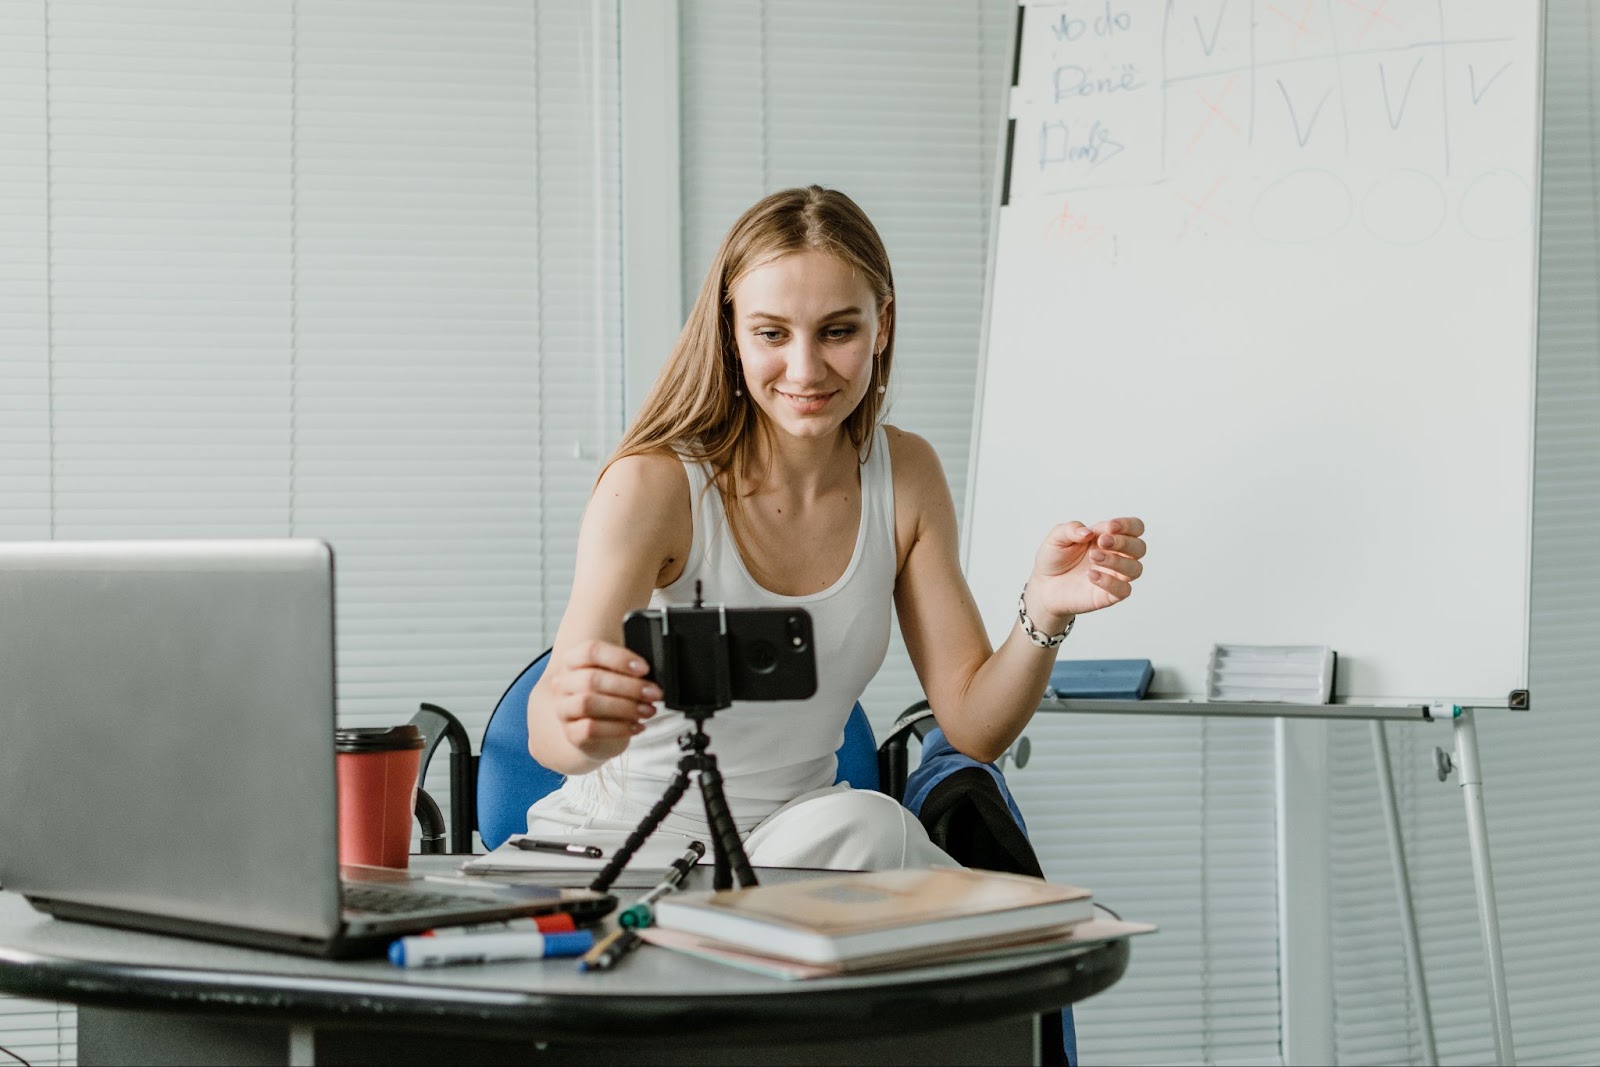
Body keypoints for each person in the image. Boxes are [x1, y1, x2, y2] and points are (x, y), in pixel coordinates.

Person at [525, 185, 1146, 870]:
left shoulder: (905, 473)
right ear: (731, 332)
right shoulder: (653, 484)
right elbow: (549, 727)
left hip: (803, 847)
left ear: (882, 323)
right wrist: (580, 720)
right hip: (626, 852)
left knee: (875, 826)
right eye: (771, 333)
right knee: (881, 835)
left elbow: (972, 726)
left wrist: (1045, 609)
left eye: (837, 331)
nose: (805, 368)